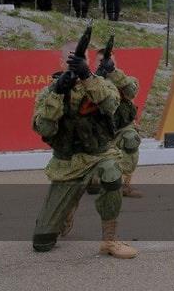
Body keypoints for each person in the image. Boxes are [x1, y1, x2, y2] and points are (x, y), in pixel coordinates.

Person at [30, 44, 137, 258]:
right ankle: (66, 211)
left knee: (111, 173)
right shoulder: (48, 92)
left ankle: (109, 240)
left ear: (87, 61)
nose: (77, 62)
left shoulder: (101, 84)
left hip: (99, 155)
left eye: (82, 59)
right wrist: (58, 93)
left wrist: (87, 76)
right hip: (67, 164)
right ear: (61, 62)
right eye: (71, 59)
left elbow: (111, 105)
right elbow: (44, 129)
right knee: (42, 243)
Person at [96, 48, 143, 197]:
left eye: (108, 61)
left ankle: (124, 185)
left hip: (122, 127)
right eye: (101, 61)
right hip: (99, 130)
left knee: (131, 139)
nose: (104, 64)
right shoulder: (89, 82)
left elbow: (131, 92)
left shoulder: (126, 80)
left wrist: (113, 72)